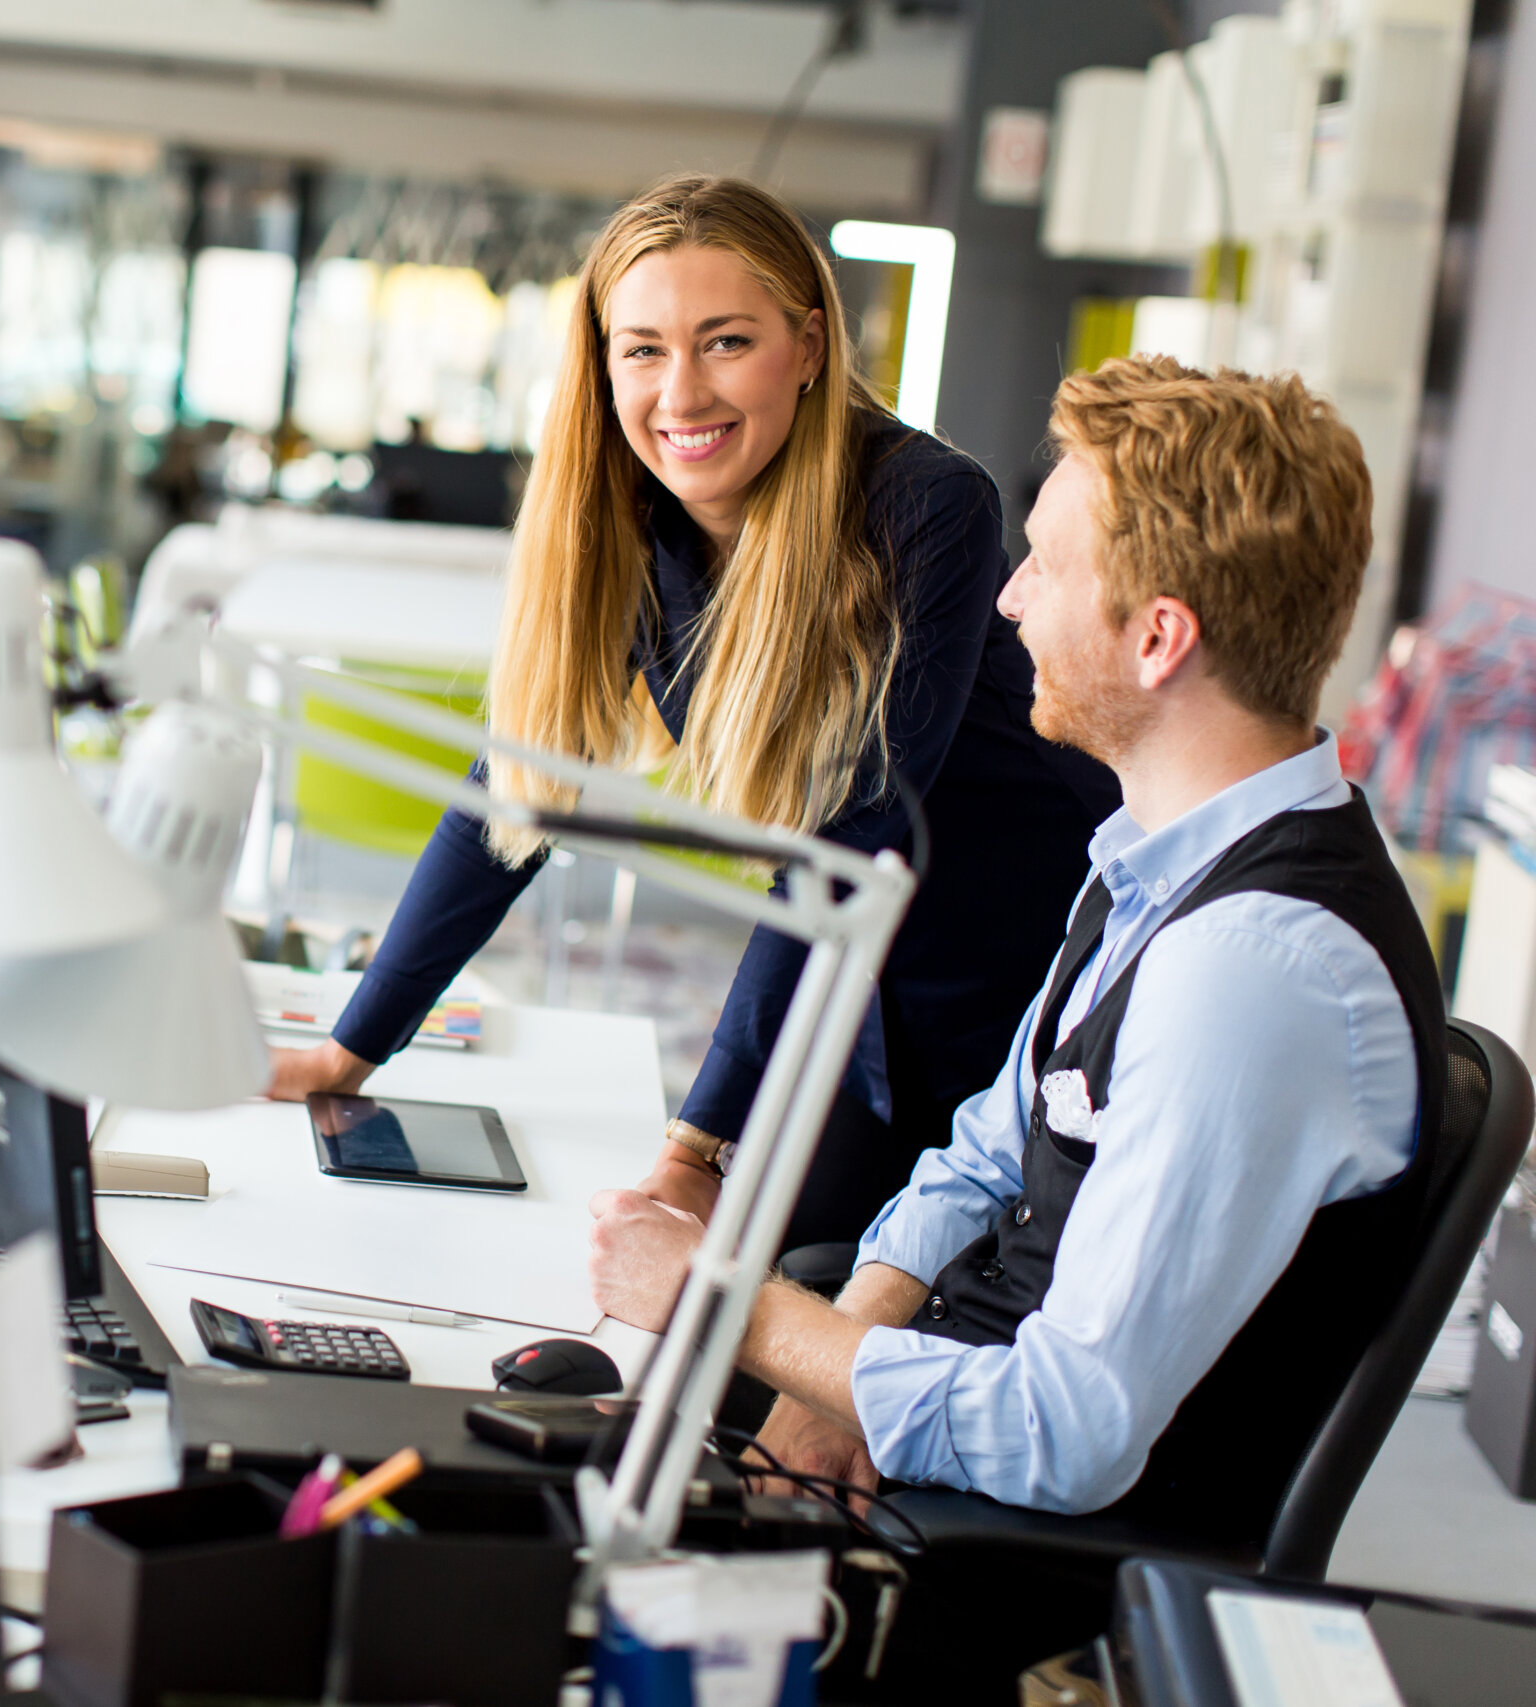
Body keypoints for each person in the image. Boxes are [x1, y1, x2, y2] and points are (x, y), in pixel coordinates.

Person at [584, 358, 1443, 1564]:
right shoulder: (1151, 856)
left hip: (995, 1540)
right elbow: (990, 1150)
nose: (1007, 602)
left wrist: (722, 1303)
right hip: (938, 1424)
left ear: (1157, 639)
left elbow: (1066, 1431)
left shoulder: (1250, 971)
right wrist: (834, 1375)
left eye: (1040, 567)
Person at [269, 174, 1116, 1249]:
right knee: (768, 1322)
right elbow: (511, 797)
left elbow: (851, 835)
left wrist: (696, 1145)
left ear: (807, 345)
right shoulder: (627, 517)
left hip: (1024, 980)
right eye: (643, 349)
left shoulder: (922, 505)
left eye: (725, 342)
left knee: (841, 1327)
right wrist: (353, 1049)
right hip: (847, 989)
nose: (681, 394)